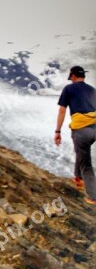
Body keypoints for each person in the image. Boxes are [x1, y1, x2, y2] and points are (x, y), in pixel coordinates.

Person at [55, 66, 96, 204]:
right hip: (94, 128)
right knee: (81, 151)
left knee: (86, 164)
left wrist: (58, 131)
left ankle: (93, 197)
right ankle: (77, 178)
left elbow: (62, 111)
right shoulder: (92, 90)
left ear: (72, 76)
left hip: (81, 129)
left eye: (71, 77)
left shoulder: (69, 89)